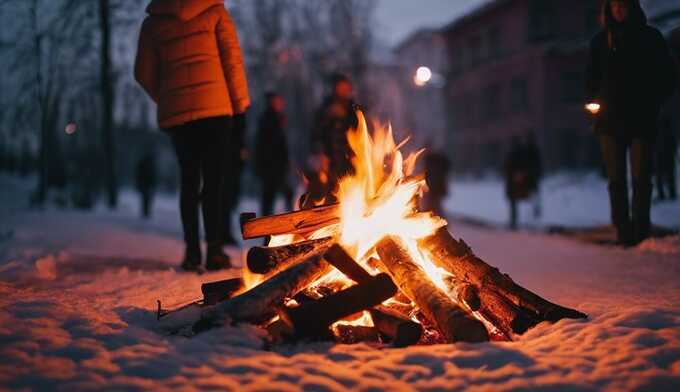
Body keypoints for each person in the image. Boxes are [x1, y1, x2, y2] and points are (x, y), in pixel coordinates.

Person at [135, 0, 250, 271]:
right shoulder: (214, 10)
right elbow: (232, 62)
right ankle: (215, 250)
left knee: (189, 182)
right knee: (214, 183)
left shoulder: (153, 21)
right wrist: (240, 106)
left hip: (180, 118)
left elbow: (142, 73)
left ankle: (191, 253)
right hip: (216, 111)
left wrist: (168, 98)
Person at [586, 0, 676, 245]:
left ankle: (641, 230)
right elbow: (590, 81)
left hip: (641, 121)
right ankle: (623, 231)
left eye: (623, 6)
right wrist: (594, 109)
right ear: (608, 10)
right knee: (616, 180)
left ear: (632, 8)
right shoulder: (600, 42)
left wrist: (652, 102)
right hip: (609, 123)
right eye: (614, 6)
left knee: (641, 177)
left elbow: (668, 75)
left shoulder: (650, 38)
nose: (619, 10)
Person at [310, 74, 359, 202]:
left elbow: (359, 131)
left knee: (349, 188)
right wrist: (319, 152)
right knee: (331, 190)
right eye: (340, 87)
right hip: (330, 158)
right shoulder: (325, 108)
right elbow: (317, 133)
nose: (344, 90)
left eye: (346, 87)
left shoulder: (353, 109)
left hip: (348, 158)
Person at [254, 92, 294, 216]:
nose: (281, 104)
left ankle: (270, 223)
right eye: (277, 102)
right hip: (272, 166)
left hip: (275, 165)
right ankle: (288, 219)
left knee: (273, 195)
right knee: (273, 195)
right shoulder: (269, 120)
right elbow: (270, 145)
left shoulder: (274, 119)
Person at [504, 137, 533, 230]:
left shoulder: (515, 154)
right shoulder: (520, 153)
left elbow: (508, 166)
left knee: (517, 201)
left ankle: (517, 222)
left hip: (516, 182)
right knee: (518, 201)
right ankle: (517, 221)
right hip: (516, 181)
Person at [422, 148, 451, 218]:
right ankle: (436, 220)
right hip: (434, 187)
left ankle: (438, 220)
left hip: (435, 187)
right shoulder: (434, 160)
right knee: (433, 204)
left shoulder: (432, 160)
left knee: (434, 204)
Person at [655, 113, 678, 201]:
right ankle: (669, 193)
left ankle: (665, 193)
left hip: (663, 154)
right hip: (665, 154)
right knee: (668, 174)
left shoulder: (659, 130)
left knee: (662, 175)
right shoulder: (667, 130)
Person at [135, 149, 157, 219]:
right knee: (147, 198)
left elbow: (139, 174)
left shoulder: (144, 163)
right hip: (147, 183)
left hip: (145, 183)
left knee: (146, 198)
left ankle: (145, 211)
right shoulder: (150, 164)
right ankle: (146, 212)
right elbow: (153, 174)